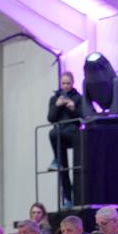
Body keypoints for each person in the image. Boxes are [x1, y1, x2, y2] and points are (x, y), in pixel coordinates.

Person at [47, 71, 82, 209]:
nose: (66, 86)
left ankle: (56, 160)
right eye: (63, 83)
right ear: (60, 84)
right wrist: (57, 105)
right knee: (64, 168)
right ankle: (68, 198)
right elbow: (50, 118)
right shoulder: (54, 98)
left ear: (72, 83)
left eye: (68, 83)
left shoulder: (78, 98)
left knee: (55, 133)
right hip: (59, 134)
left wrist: (73, 108)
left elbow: (82, 117)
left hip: (72, 133)